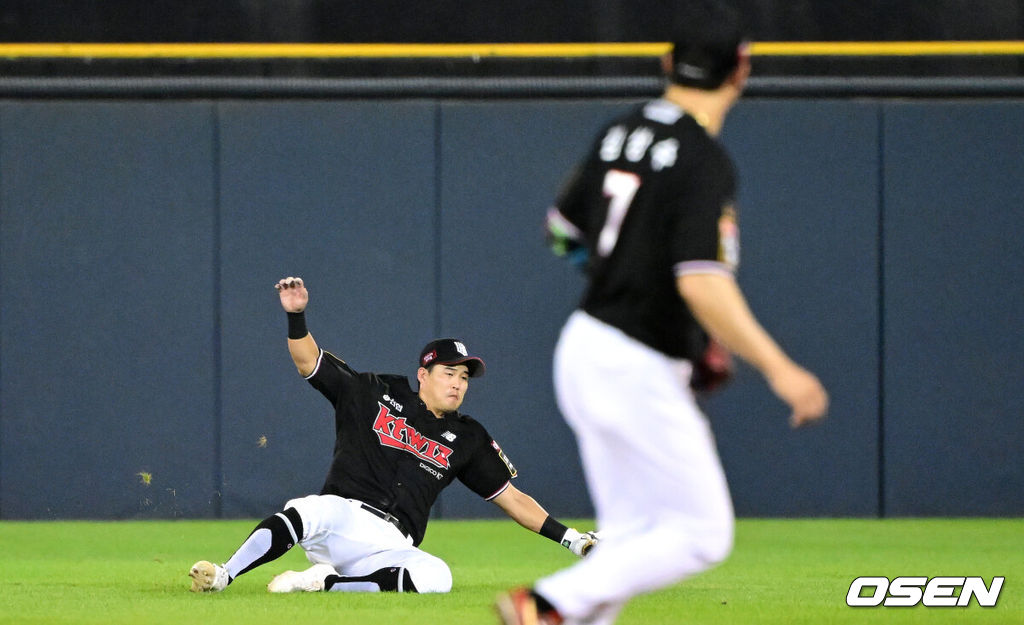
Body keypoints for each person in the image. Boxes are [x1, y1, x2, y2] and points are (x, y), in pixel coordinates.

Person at [496, 4, 829, 624]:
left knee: (630, 538)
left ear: (667, 62)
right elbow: (702, 282)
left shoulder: (619, 131)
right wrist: (780, 369)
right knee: (703, 535)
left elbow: (562, 232)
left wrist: (630, 282)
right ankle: (545, 604)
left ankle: (558, 612)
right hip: (635, 362)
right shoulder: (704, 158)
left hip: (586, 345)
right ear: (742, 70)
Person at [189, 276, 598, 595]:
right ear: (424, 374)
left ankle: (323, 584)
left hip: (390, 543)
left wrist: (575, 541)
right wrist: (296, 316)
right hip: (342, 515)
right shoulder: (373, 391)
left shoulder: (468, 436)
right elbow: (308, 363)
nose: (458, 383)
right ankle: (224, 575)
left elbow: (512, 499)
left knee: (437, 576)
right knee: (309, 510)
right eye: (449, 373)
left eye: (464, 376)